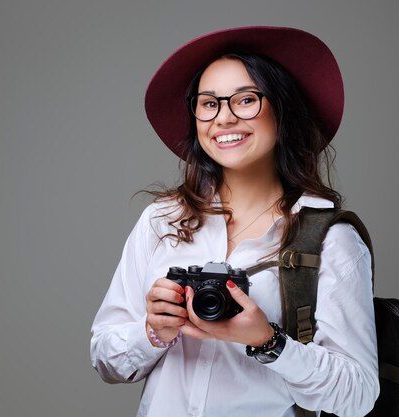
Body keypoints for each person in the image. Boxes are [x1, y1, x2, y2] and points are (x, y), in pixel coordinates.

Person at [90, 26, 379, 417]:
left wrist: (268, 341)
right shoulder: (162, 220)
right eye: (209, 104)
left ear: (283, 111)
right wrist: (152, 331)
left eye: (245, 100)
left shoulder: (329, 240)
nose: (223, 118)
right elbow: (106, 360)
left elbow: (358, 395)